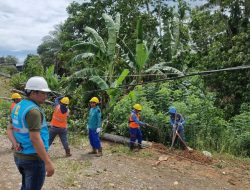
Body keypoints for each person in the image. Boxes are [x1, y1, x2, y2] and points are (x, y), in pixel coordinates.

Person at [7, 76, 55, 190]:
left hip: (20, 157)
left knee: (26, 186)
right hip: (33, 159)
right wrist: (48, 162)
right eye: (43, 93)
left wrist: (14, 143)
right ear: (33, 93)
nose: (46, 96)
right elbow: (35, 138)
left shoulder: (18, 106)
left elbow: (9, 129)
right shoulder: (33, 111)